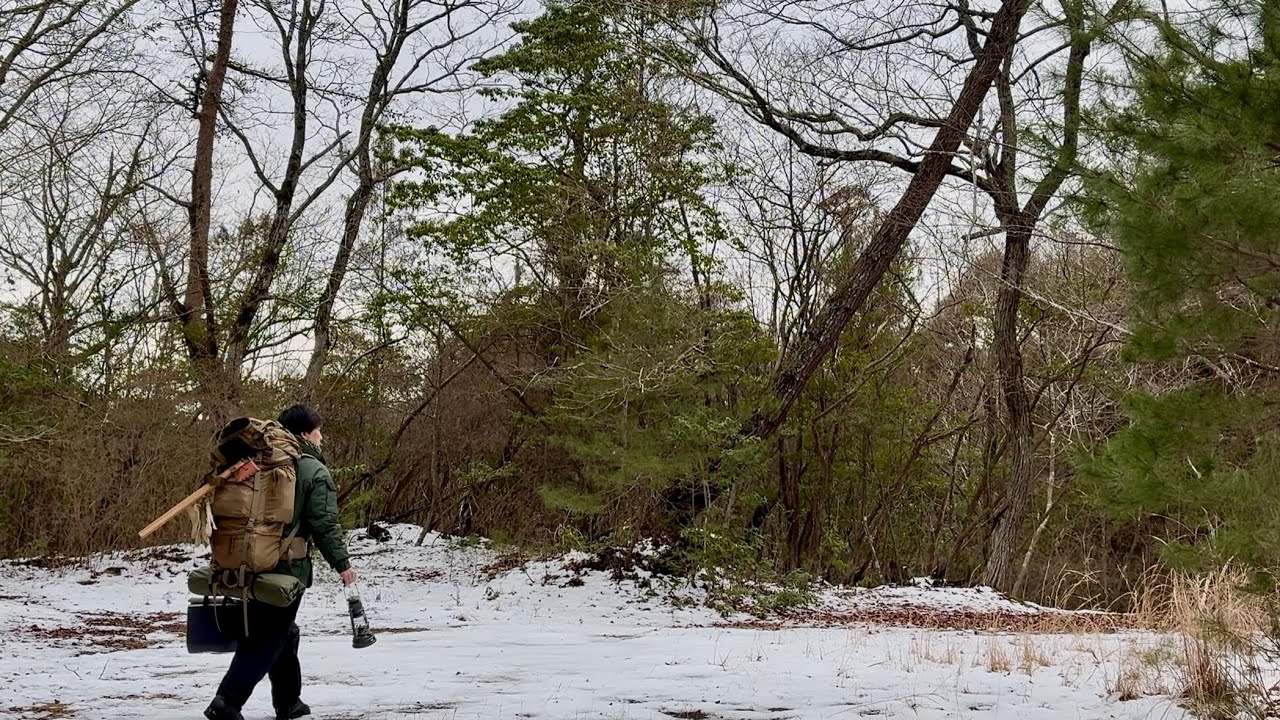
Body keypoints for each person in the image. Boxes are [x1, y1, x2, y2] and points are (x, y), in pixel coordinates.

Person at [205, 404, 358, 720]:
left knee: (283, 631)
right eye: (318, 430)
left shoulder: (258, 463)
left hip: (251, 557)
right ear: (305, 434)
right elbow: (324, 524)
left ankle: (289, 702)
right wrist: (342, 563)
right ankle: (226, 702)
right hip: (287, 566)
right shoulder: (313, 471)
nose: (322, 437)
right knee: (267, 638)